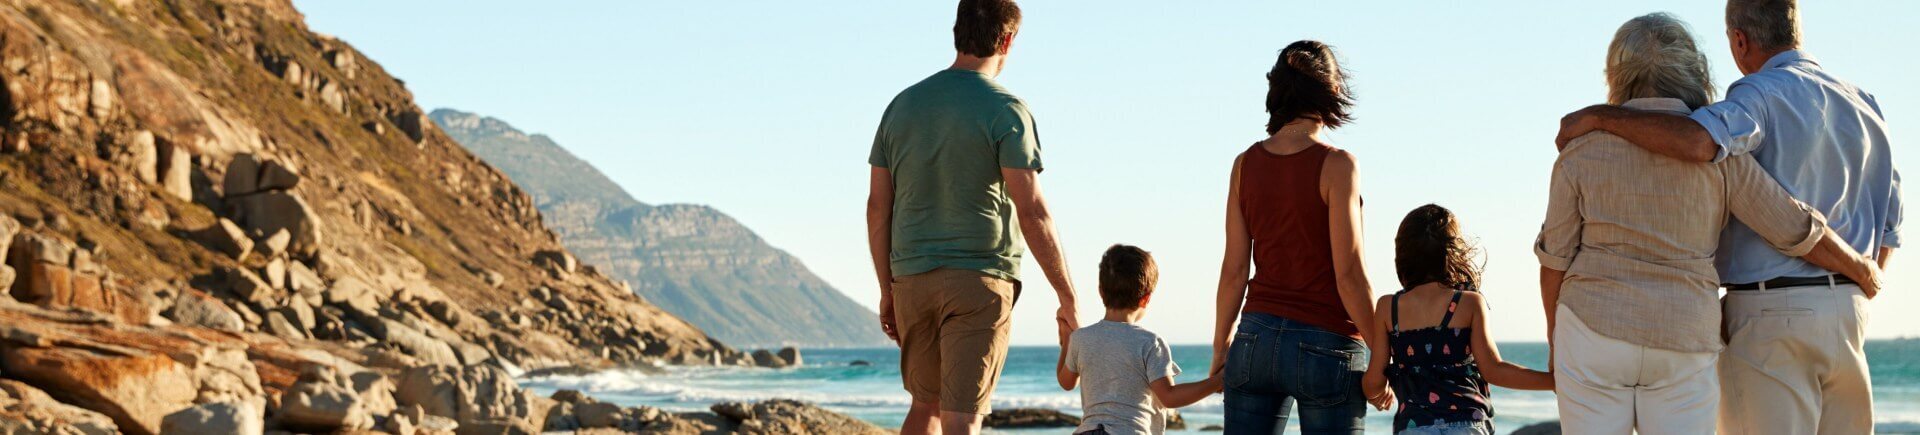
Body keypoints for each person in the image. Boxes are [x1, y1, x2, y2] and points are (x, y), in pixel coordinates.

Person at [1554, 1, 1899, 432]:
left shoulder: (1756, 95)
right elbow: (1890, 226)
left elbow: (1701, 141)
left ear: (1739, 40)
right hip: (1849, 312)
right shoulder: (1865, 104)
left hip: (1767, 313)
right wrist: (1862, 275)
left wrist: (1599, 116)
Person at [865, 1, 1079, 433]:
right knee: (962, 417)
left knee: (925, 407)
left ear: (957, 32)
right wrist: (1067, 296)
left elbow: (877, 207)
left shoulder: (901, 106)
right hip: (979, 278)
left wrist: (887, 288)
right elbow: (1032, 210)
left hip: (911, 278)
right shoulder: (1006, 109)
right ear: (1008, 40)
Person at [1210, 40, 1381, 434]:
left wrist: (1220, 348)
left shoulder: (1244, 164)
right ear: (1333, 89)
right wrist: (1381, 352)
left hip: (1253, 342)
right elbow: (1350, 276)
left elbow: (1234, 271)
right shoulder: (1338, 165)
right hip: (1327, 343)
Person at [1361, 205, 1553, 435]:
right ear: (1454, 253)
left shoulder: (1388, 307)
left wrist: (1376, 392)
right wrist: (1553, 381)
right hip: (1467, 425)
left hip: (1414, 427)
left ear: (1402, 255)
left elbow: (1373, 382)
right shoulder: (1468, 303)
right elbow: (1494, 370)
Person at [1057, 245, 1225, 435]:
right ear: (1146, 299)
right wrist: (1217, 381)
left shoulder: (1080, 338)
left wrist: (1066, 340)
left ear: (1100, 291)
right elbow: (1169, 397)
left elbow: (1066, 382)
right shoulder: (1150, 343)